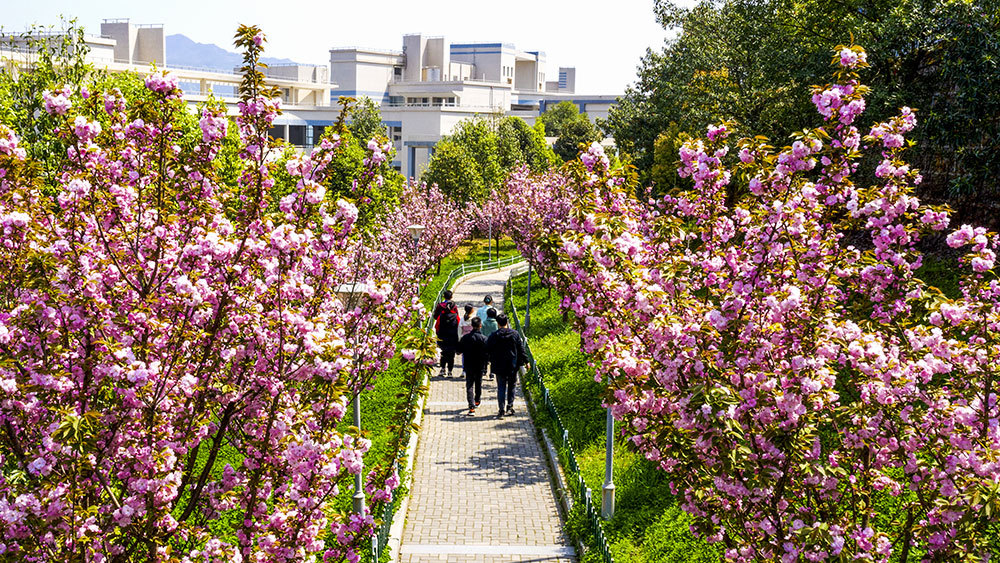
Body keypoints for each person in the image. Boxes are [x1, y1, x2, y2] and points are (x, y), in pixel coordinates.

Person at [485, 313, 529, 418]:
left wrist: (489, 360)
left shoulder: (494, 335)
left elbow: (487, 349)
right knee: (512, 386)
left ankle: (501, 410)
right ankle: (509, 407)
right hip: (512, 365)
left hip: (499, 365)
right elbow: (521, 349)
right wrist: (526, 361)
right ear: (506, 322)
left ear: (498, 323)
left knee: (501, 387)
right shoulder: (515, 334)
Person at [456, 317, 488, 416]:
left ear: (471, 326)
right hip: (480, 365)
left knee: (469, 385)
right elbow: (487, 353)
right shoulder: (484, 339)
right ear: (480, 326)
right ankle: (477, 400)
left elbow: (458, 351)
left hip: (468, 364)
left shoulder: (465, 338)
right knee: (478, 383)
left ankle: (471, 406)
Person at [432, 289, 460, 377]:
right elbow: (459, 326)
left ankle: (442, 369)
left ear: (444, 296)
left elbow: (437, 325)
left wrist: (438, 334)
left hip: (442, 337)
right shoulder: (456, 315)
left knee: (443, 353)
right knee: (451, 355)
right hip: (453, 337)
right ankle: (450, 372)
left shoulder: (441, 313)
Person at [481, 307, 499, 379]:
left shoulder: (484, 323)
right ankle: (492, 373)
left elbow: (482, 333)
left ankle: (484, 370)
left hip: (485, 342)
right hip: (494, 344)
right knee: (493, 359)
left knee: (485, 358)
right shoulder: (496, 324)